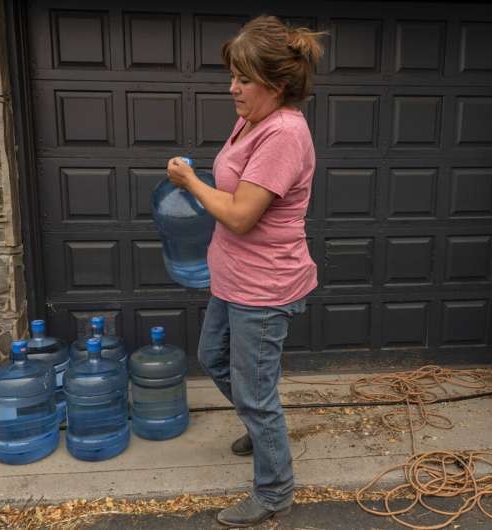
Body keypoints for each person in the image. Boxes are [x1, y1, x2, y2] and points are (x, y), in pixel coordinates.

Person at [166, 15, 325, 528]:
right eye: (232, 76)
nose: (232, 88)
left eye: (243, 79)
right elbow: (235, 191)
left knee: (256, 394)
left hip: (264, 286)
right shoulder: (252, 119)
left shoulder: (284, 133)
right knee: (212, 357)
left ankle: (275, 492)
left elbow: (240, 215)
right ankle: (264, 431)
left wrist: (190, 182)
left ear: (275, 85)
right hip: (234, 277)